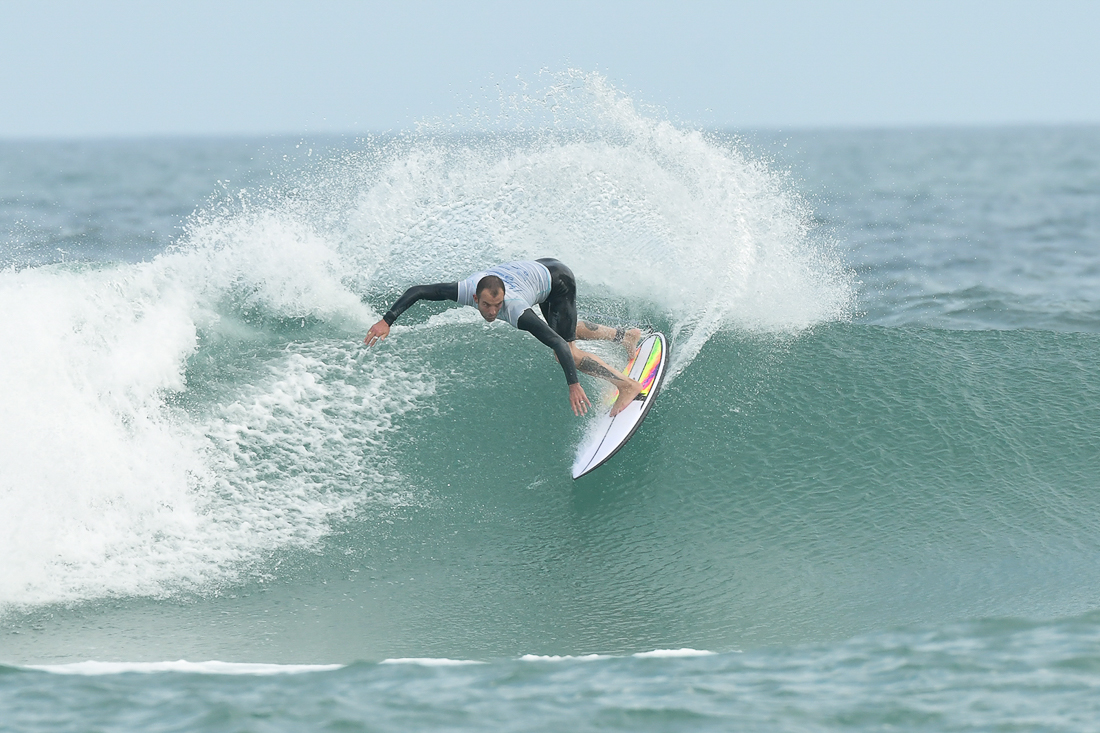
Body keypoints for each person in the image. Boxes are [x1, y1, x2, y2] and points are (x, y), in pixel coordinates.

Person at [364, 258, 644, 417]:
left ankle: (627, 385)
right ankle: (625, 336)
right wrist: (386, 320)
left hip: (557, 282)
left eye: (497, 306)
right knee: (560, 327)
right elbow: (419, 290)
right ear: (475, 298)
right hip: (542, 270)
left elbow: (557, 343)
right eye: (486, 305)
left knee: (565, 349)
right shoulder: (465, 289)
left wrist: (573, 384)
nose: (492, 311)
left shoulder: (515, 310)